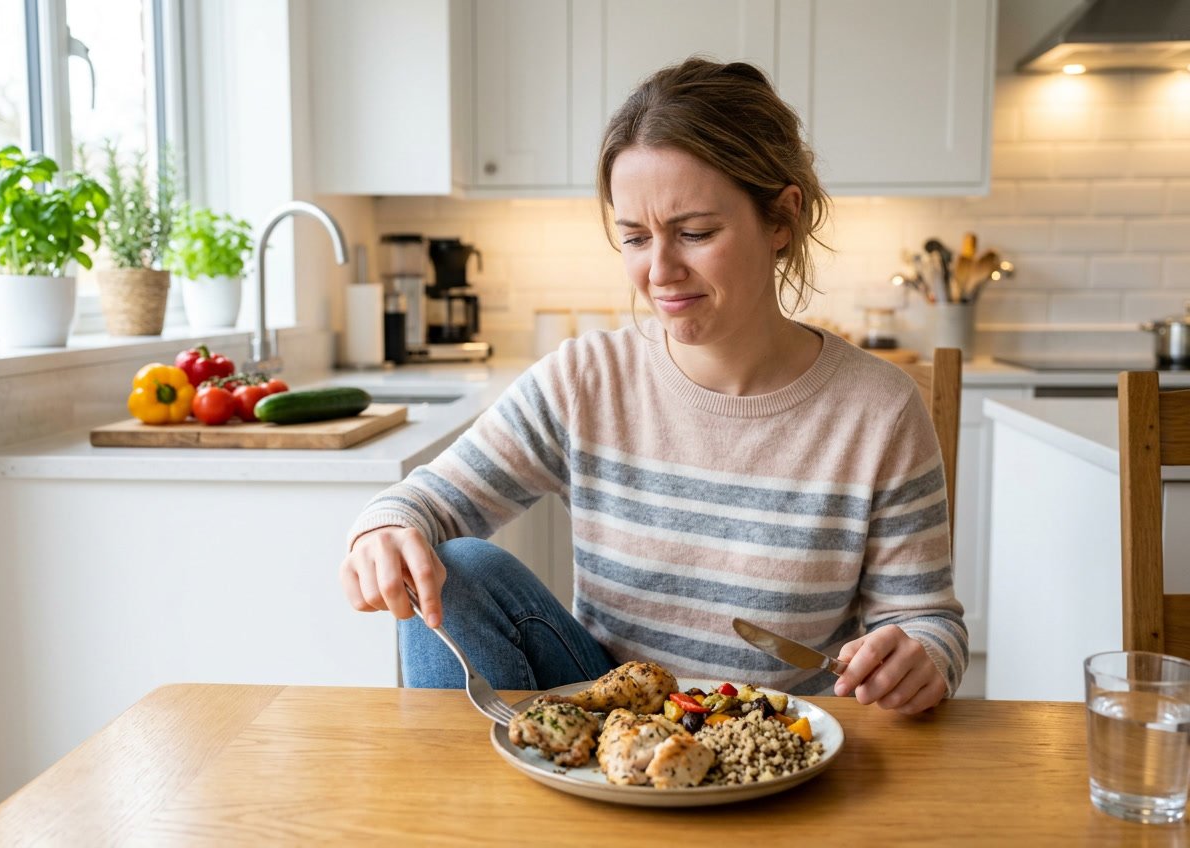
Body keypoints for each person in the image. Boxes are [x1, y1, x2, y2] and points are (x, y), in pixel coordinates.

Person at [341, 57, 967, 715]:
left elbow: (931, 623)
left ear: (782, 218)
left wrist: (920, 657)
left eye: (694, 233)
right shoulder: (585, 380)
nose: (660, 270)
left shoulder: (879, 410)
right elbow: (425, 504)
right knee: (460, 569)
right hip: (610, 731)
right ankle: (471, 814)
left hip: (775, 745)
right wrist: (380, 530)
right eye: (635, 238)